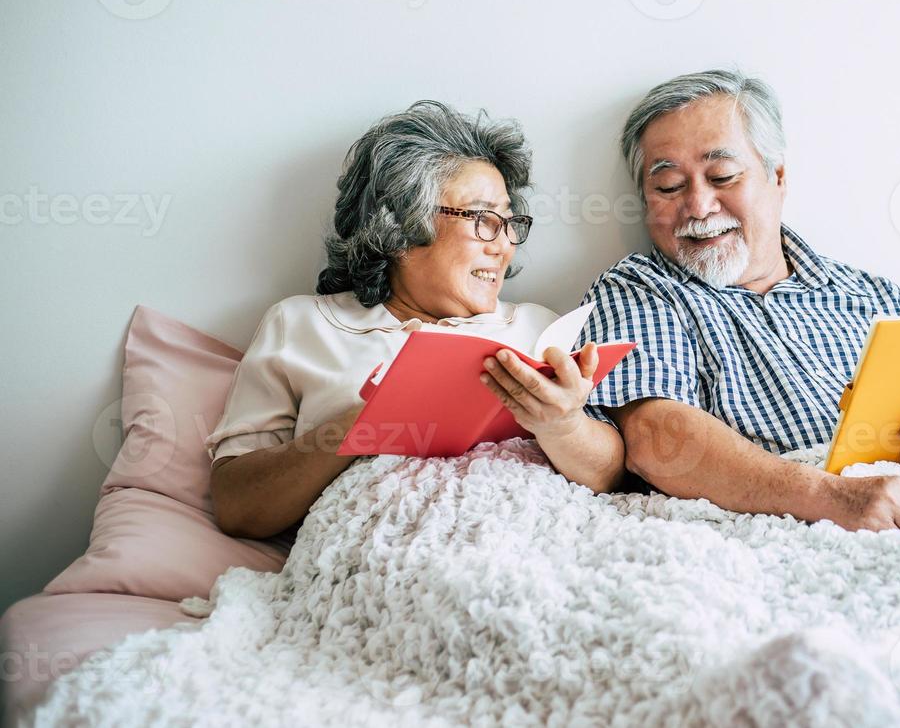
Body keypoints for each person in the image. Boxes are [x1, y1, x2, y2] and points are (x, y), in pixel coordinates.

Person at [574, 70, 900, 536]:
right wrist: (832, 498)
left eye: (722, 175)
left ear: (777, 176)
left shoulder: (877, 297)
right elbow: (656, 439)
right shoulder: (638, 287)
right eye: (668, 187)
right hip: (782, 535)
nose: (699, 205)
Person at [208, 101, 624, 540]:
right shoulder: (301, 325)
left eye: (509, 222)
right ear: (402, 229)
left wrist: (563, 424)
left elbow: (610, 479)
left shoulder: (540, 330)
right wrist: (360, 423)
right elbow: (237, 507)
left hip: (526, 543)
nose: (504, 245)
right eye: (483, 219)